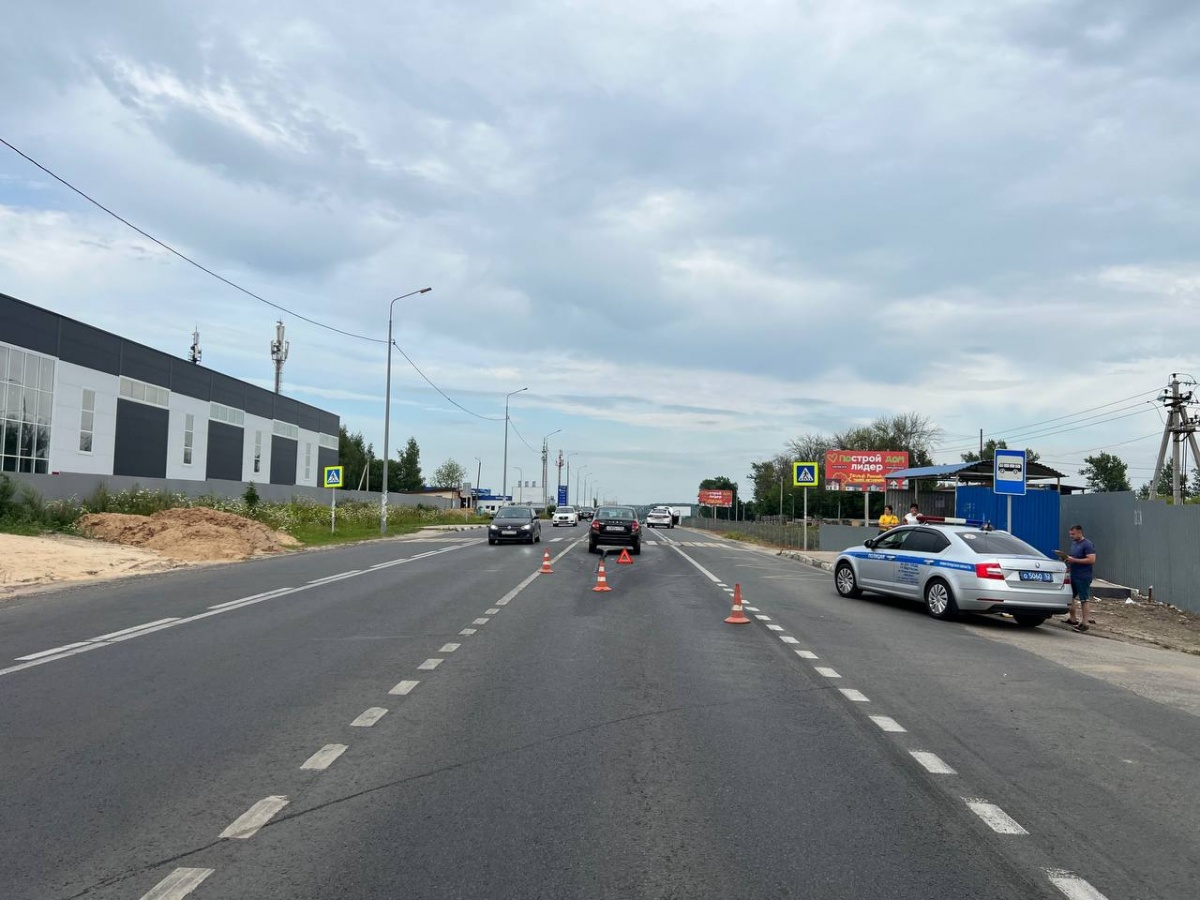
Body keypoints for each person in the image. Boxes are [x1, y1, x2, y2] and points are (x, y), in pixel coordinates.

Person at [1061, 524, 1097, 632]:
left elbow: (1091, 559)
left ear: (1079, 532)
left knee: (1084, 599)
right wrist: (1067, 560)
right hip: (1073, 574)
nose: (1071, 536)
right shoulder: (1074, 543)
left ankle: (1085, 623)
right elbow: (1074, 558)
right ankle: (1073, 619)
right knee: (1070, 597)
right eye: (1070, 534)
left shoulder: (1087, 544)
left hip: (1083, 576)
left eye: (1073, 534)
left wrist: (1074, 560)